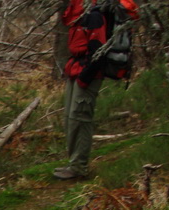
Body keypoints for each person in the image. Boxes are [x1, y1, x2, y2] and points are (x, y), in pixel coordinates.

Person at [54, 0, 139, 180]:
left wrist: (85, 78)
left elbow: (98, 52)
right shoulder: (79, 17)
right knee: (71, 118)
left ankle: (79, 167)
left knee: (80, 118)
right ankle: (73, 163)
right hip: (76, 70)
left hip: (87, 73)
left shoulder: (93, 17)